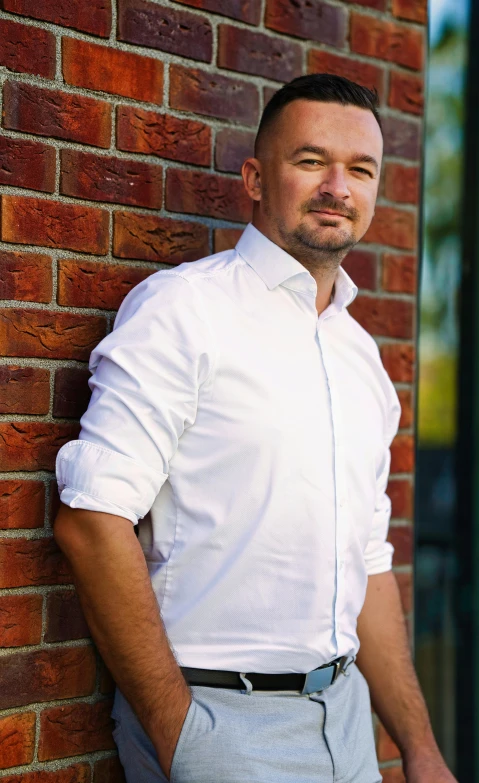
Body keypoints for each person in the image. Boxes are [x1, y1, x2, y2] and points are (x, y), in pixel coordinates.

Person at [54, 74, 457, 783]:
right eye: (311, 161)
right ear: (255, 179)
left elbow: (369, 564)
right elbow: (92, 519)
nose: (338, 185)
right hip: (221, 727)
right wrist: (181, 732)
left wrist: (419, 749)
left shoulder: (361, 357)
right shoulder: (184, 312)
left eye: (360, 169)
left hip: (348, 722)